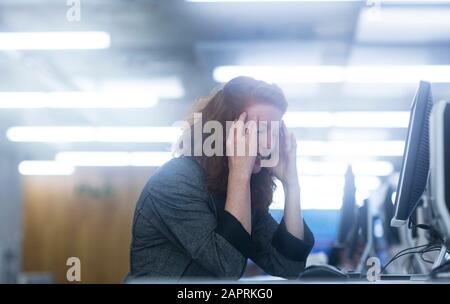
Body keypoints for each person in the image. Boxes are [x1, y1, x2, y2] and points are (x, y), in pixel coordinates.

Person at [126, 76, 314, 281]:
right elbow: (228, 266)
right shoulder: (175, 181)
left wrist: (291, 184)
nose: (270, 144)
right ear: (226, 131)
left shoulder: (239, 189)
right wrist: (240, 175)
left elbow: (288, 266)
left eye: (275, 131)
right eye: (260, 129)